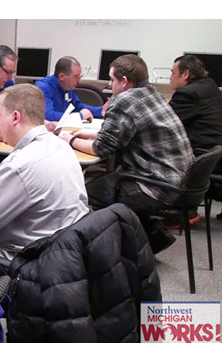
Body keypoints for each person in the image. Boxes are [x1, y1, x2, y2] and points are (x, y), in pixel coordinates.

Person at [0, 84, 89, 276]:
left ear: (15, 117)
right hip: (62, 255)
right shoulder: (61, 147)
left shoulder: (20, 164)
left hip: (26, 263)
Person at [59, 54, 195, 254]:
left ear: (124, 82)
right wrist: (88, 133)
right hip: (180, 181)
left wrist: (69, 140)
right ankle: (152, 236)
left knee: (85, 193)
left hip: (157, 187)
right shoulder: (151, 94)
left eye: (112, 79)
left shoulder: (124, 100)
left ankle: (103, 253)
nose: (109, 84)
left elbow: (101, 149)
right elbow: (130, 130)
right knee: (108, 180)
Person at [169, 54, 222, 155]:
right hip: (214, 152)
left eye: (173, 72)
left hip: (199, 153)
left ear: (185, 74)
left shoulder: (187, 94)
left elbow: (164, 121)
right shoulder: (210, 84)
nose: (170, 77)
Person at [36, 56, 106, 122]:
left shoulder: (68, 86)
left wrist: (101, 110)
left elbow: (78, 107)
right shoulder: (43, 88)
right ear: (62, 76)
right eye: (76, 77)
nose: (79, 80)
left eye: (80, 76)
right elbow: (47, 116)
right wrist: (79, 116)